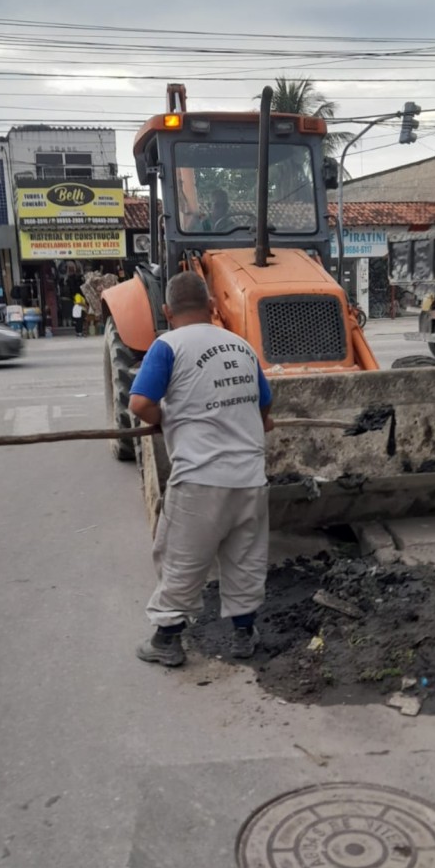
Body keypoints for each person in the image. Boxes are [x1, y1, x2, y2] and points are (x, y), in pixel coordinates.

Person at [128, 270, 275, 667]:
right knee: (245, 557)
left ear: (166, 310)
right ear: (212, 307)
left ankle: (166, 641)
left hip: (200, 480)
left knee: (182, 558)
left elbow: (140, 404)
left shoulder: (167, 346)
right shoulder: (241, 346)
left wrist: (167, 419)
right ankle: (245, 635)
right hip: (250, 478)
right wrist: (259, 422)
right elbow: (264, 405)